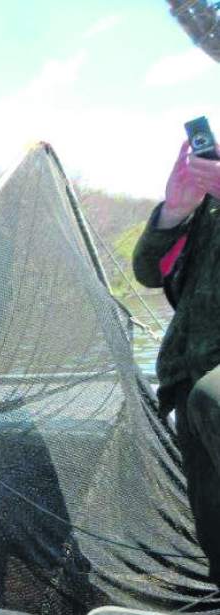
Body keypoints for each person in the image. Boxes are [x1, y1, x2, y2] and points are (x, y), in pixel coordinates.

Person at [132, 138, 220, 589]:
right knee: (213, 527)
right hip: (187, 376)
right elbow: (148, 270)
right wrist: (174, 209)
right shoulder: (207, 206)